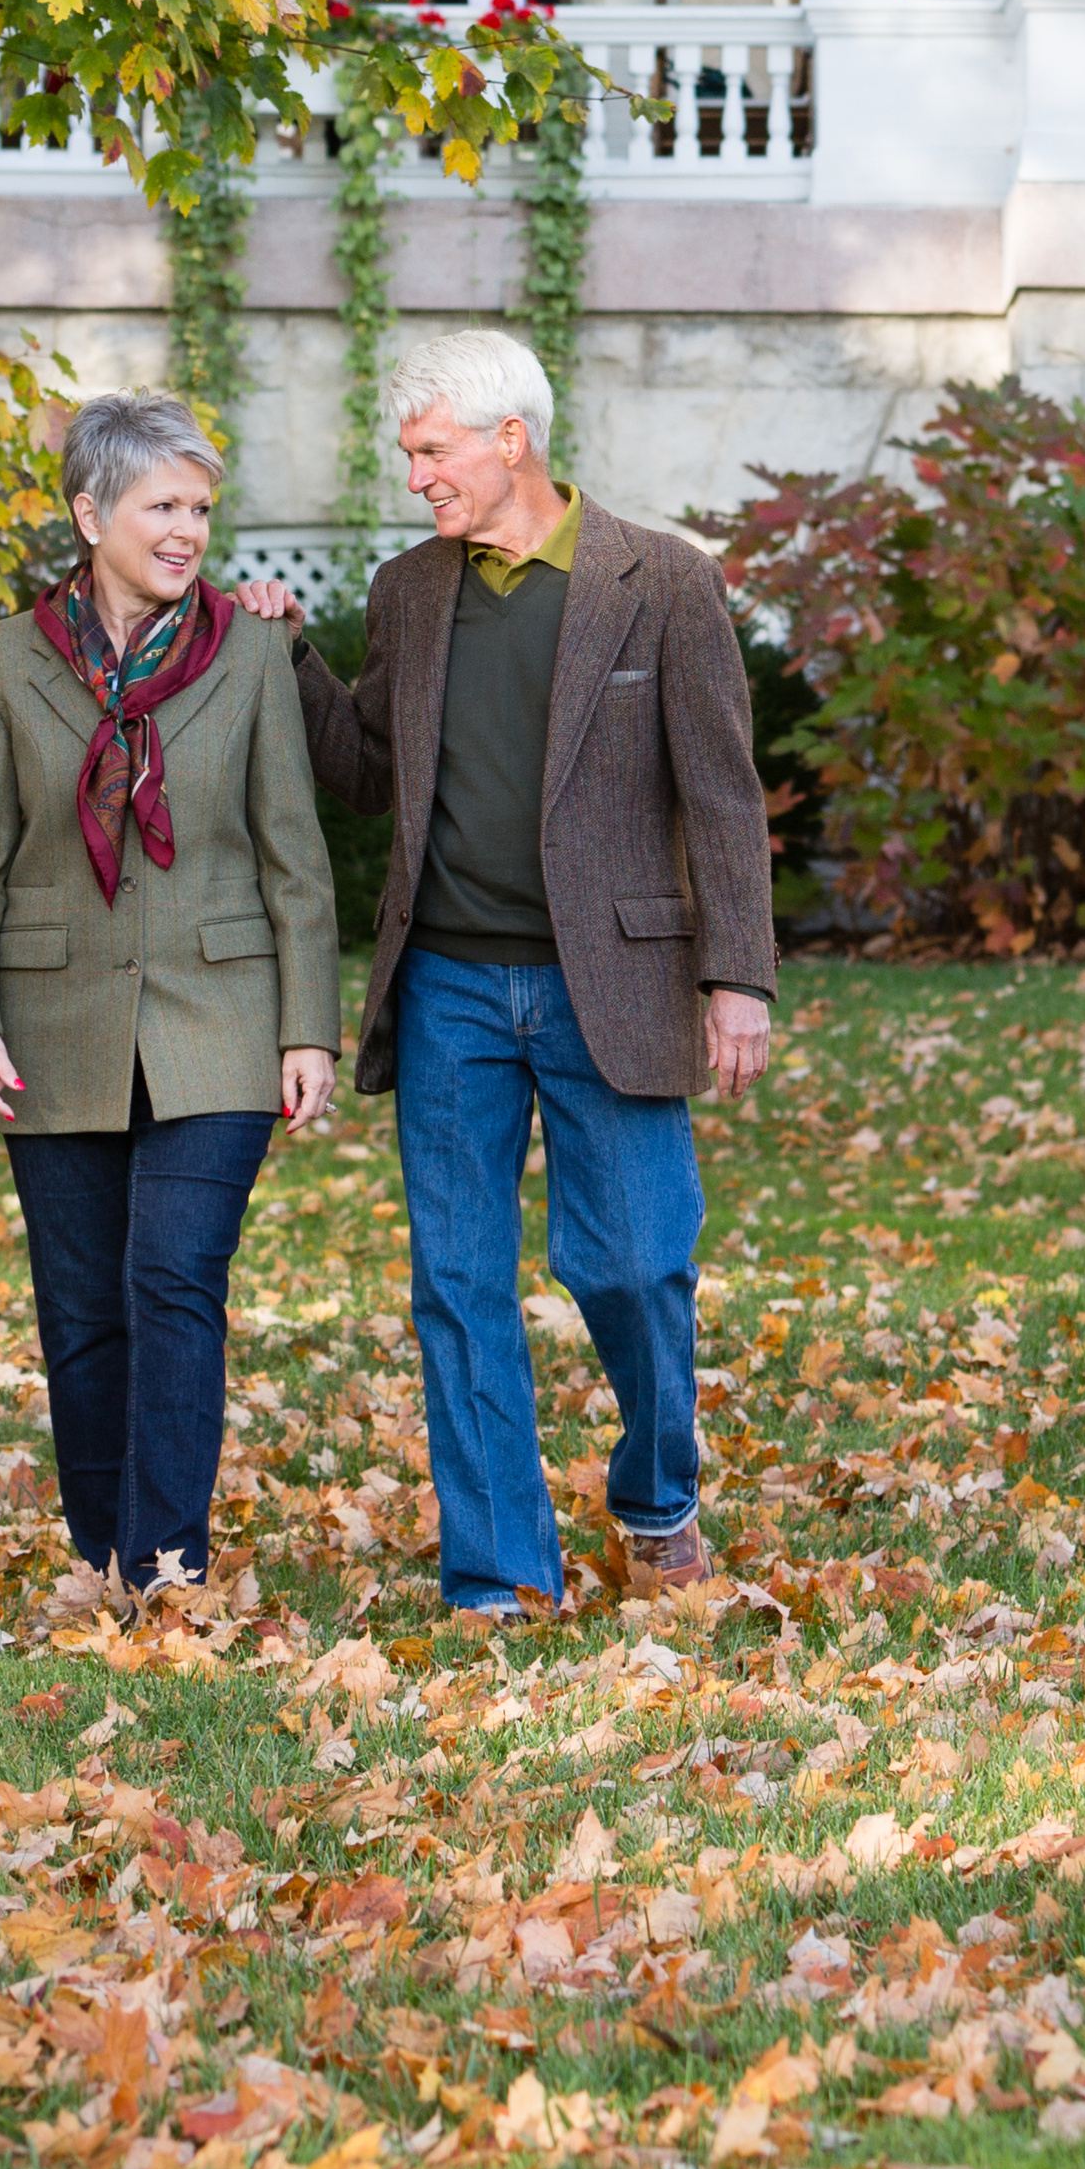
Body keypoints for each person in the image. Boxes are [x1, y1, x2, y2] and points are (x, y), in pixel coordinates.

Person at [262, 323, 774, 1618]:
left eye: (432, 450)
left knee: (637, 1259)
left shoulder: (661, 580)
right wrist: (287, 657)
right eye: (410, 454)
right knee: (459, 1280)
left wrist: (740, 975)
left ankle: (660, 1495)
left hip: (616, 982)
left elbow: (721, 788)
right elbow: (374, 768)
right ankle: (500, 1577)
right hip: (446, 988)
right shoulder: (409, 590)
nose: (417, 475)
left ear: (510, 438)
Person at [0, 392, 339, 1601]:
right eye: (161, 506)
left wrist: (306, 1025)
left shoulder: (254, 648)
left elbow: (294, 859)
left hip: (222, 1017)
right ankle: (99, 1553)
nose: (185, 532)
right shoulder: (3, 659)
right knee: (82, 1309)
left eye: (200, 509)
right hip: (50, 1026)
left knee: (170, 1275)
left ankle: (167, 1565)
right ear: (88, 510)